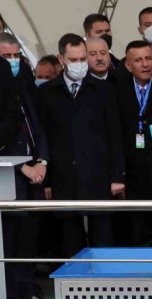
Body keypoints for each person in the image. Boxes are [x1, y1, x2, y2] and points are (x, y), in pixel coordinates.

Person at [39, 33, 125, 257]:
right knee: (72, 240)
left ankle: (104, 279)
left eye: (82, 58)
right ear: (61, 59)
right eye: (74, 59)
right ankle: (76, 278)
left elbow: (115, 135)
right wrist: (47, 181)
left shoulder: (103, 90)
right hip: (64, 177)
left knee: (102, 239)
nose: (79, 64)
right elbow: (43, 138)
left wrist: (117, 176)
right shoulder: (47, 93)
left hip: (98, 175)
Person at [0, 32, 50, 299]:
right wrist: (22, 167)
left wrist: (42, 161)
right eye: (6, 57)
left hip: (34, 176)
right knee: (8, 244)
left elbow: (38, 126)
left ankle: (25, 294)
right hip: (8, 178)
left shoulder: (23, 87)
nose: (13, 62)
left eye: (17, 56)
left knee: (28, 240)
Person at [116, 40, 152, 246]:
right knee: (137, 229)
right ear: (128, 65)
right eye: (138, 60)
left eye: (149, 58)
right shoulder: (116, 90)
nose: (146, 64)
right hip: (132, 172)